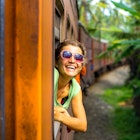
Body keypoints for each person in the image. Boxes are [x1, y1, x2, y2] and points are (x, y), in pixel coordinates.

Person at [54, 39, 87, 132]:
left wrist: (61, 116)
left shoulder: (75, 88)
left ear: (81, 65)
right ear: (56, 62)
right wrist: (67, 119)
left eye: (78, 57)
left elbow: (83, 125)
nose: (72, 60)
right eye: (66, 55)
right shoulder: (52, 76)